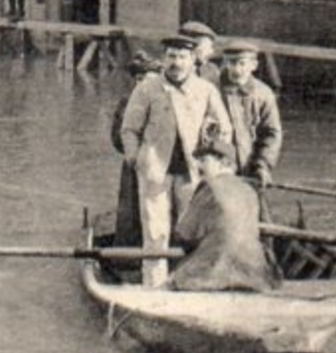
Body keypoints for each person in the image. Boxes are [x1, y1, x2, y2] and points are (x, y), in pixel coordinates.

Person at [118, 34, 234, 288]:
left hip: (192, 172)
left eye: (182, 57)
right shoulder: (147, 89)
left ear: (193, 60)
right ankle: (154, 286)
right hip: (155, 170)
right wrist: (135, 157)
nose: (176, 63)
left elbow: (225, 129)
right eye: (171, 56)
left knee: (190, 230)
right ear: (163, 59)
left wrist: (213, 156)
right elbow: (129, 128)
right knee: (155, 230)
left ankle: (187, 283)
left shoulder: (205, 90)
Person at [169, 137, 280, 293]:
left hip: (216, 271)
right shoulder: (249, 190)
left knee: (174, 280)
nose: (198, 165)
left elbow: (184, 234)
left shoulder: (209, 187)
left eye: (204, 160)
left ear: (223, 162)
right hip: (254, 273)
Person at [109, 50, 161, 247]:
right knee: (132, 210)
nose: (142, 84)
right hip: (134, 166)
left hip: (162, 164)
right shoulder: (127, 102)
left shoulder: (166, 101)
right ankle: (129, 255)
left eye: (147, 79)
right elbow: (116, 138)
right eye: (138, 79)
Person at [218, 40, 283, 188]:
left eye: (242, 63)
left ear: (253, 65)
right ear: (224, 63)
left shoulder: (264, 94)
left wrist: (262, 165)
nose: (236, 69)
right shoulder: (211, 90)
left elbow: (271, 134)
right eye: (231, 63)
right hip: (218, 169)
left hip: (249, 170)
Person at [180, 20, 221, 84]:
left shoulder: (212, 70)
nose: (211, 52)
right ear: (196, 49)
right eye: (208, 47)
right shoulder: (176, 68)